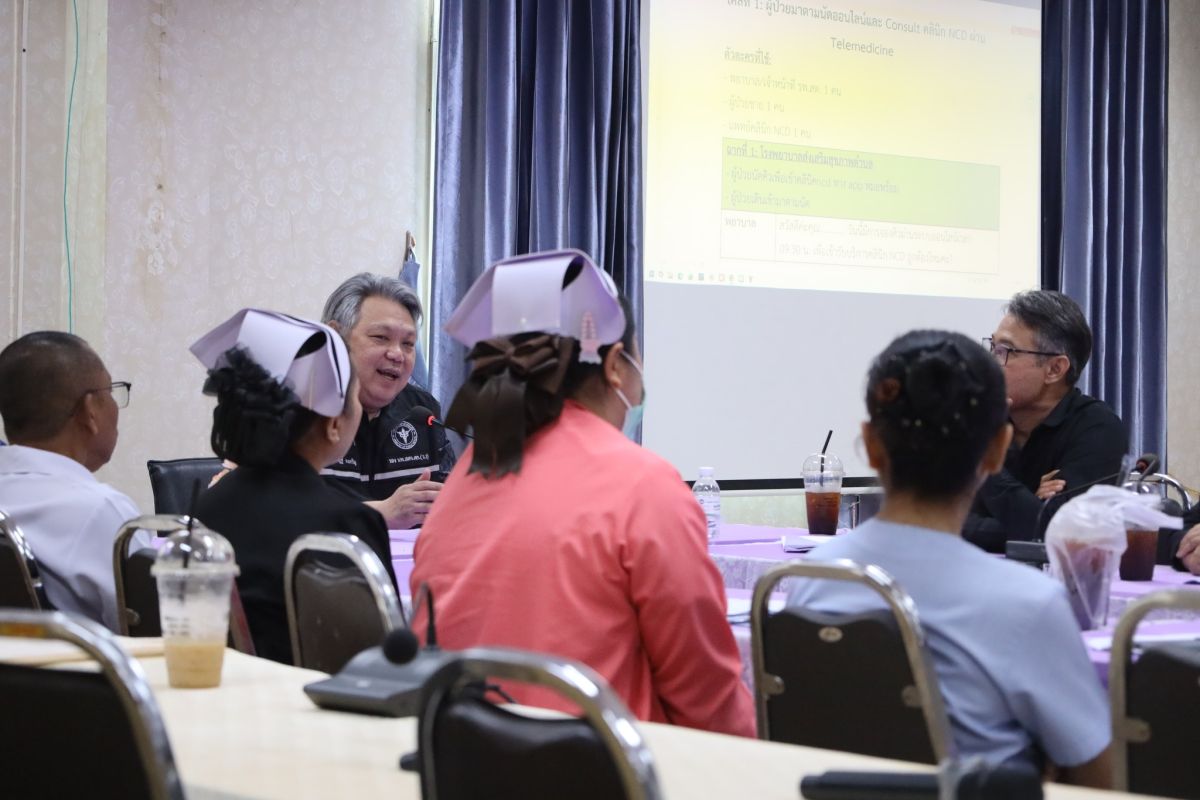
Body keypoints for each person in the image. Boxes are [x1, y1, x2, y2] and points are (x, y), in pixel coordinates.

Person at [410, 249, 755, 737]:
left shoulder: (466, 477)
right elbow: (707, 699)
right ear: (615, 365)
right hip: (606, 767)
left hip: (463, 760)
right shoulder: (644, 486)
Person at [787, 330, 1112, 786]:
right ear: (997, 451)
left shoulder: (814, 576)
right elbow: (1096, 774)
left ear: (872, 445)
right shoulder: (1030, 603)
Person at [190, 310, 397, 664]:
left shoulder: (209, 504)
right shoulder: (347, 525)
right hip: (315, 695)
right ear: (333, 424)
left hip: (225, 687)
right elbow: (381, 656)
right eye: (356, 398)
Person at [0, 332, 150, 631]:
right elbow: (155, 630)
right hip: (95, 663)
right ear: (89, 410)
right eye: (111, 391)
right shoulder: (100, 511)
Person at [964, 290, 1127, 551]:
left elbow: (1062, 536)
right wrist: (1030, 510)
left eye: (1004, 350)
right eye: (992, 347)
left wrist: (985, 456)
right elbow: (935, 521)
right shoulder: (978, 417)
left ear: (1054, 369)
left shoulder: (1098, 430)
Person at [320, 273, 455, 528]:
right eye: (380, 337)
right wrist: (382, 513)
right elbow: (278, 509)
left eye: (408, 343)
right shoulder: (300, 408)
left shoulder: (422, 411)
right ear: (335, 337)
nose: (397, 354)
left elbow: (453, 502)